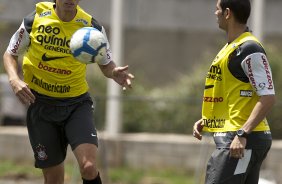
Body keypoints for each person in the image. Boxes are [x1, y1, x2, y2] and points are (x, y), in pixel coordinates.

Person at [3, 0, 134, 183]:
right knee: (54, 180)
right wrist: (14, 79)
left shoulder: (90, 26)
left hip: (76, 104)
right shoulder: (35, 20)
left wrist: (113, 72)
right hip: (41, 105)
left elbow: (105, 63)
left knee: (88, 167)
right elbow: (10, 53)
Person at [192, 0, 275, 183]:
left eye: (217, 9)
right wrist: (209, 119)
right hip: (236, 138)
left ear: (227, 13)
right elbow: (233, 94)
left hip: (240, 141)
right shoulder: (231, 47)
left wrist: (242, 134)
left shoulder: (249, 48)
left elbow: (267, 96)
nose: (215, 14)